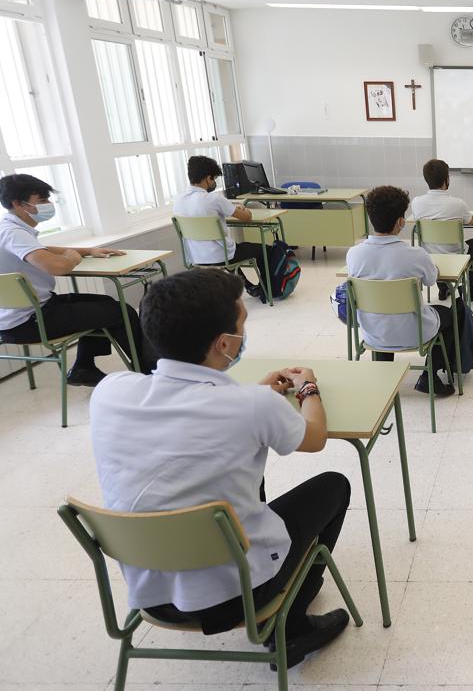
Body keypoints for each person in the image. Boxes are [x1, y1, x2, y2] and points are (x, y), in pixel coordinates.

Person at [90, 268, 350, 671]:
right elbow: (314, 437)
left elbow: (186, 426)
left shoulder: (111, 392)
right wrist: (308, 389)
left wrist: (251, 395)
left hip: (151, 591)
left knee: (229, 470)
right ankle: (292, 623)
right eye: (243, 322)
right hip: (236, 594)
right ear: (225, 343)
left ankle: (287, 596)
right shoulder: (253, 407)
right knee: (335, 485)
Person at [0, 174, 155, 386]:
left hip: (18, 317)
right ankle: (148, 374)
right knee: (120, 312)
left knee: (104, 304)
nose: (48, 205)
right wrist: (72, 257)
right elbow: (57, 267)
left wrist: (88, 250)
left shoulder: (4, 230)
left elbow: (44, 250)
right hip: (30, 322)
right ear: (17, 203)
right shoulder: (12, 233)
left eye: (47, 200)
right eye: (41, 201)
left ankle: (84, 367)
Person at [346, 185, 459, 397]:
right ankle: (429, 376)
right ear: (400, 222)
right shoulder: (416, 255)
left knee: (382, 313)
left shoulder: (354, 255)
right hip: (413, 334)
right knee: (449, 314)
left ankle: (384, 375)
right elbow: (432, 279)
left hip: (373, 334)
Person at [173, 155, 262, 299]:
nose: (213, 182)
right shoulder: (215, 198)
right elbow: (247, 217)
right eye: (213, 179)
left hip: (195, 256)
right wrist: (244, 209)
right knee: (261, 249)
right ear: (208, 178)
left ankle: (249, 286)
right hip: (222, 256)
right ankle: (266, 290)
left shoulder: (178, 200)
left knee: (228, 249)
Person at [409, 158, 473, 299]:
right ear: (447, 180)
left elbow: (415, 220)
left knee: (438, 248)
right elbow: (472, 220)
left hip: (429, 254)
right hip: (456, 254)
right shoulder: (458, 204)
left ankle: (443, 287)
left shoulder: (417, 203)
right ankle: (469, 288)